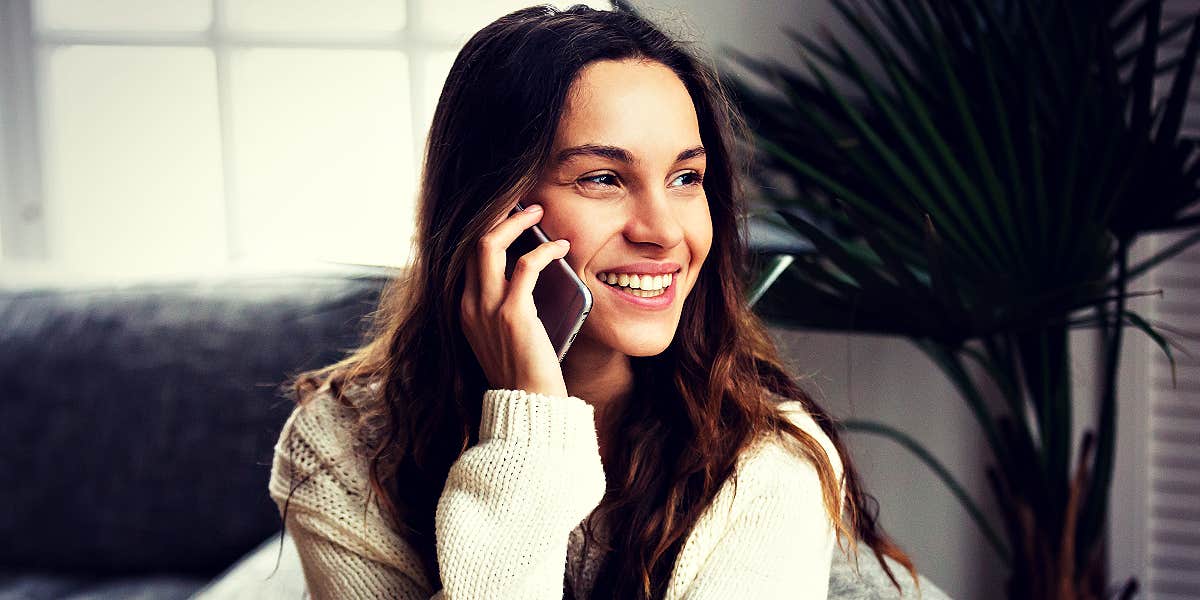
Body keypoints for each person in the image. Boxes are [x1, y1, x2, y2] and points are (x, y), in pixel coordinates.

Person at [268, 4, 918, 599]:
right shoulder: (340, 446)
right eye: (603, 178)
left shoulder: (769, 461)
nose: (664, 231)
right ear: (493, 211)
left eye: (686, 178)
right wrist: (528, 433)